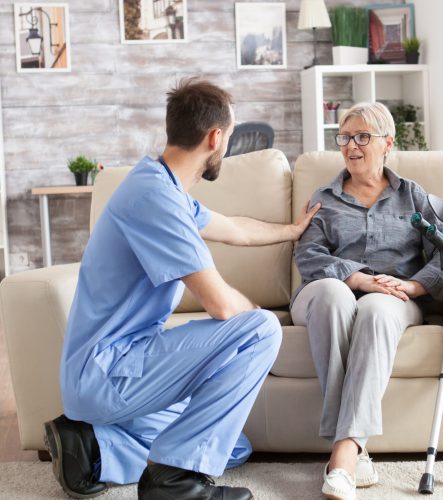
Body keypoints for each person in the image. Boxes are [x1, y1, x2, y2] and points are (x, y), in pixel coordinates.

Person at [43, 78, 319, 500]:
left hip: (119, 370)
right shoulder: (155, 199)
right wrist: (253, 316)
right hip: (109, 371)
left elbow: (236, 230)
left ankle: (93, 447)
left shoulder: (163, 186)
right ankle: (172, 486)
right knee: (261, 327)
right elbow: (221, 306)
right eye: (228, 138)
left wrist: (292, 230)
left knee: (230, 448)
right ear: (216, 137)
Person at [291, 102, 443, 500]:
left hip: (394, 294)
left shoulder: (413, 196)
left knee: (376, 310)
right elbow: (308, 255)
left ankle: (344, 454)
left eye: (363, 136)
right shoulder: (324, 197)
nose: (351, 145)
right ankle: (351, 452)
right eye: (345, 137)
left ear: (387, 143)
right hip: (325, 291)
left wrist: (416, 287)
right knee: (336, 295)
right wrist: (358, 278)